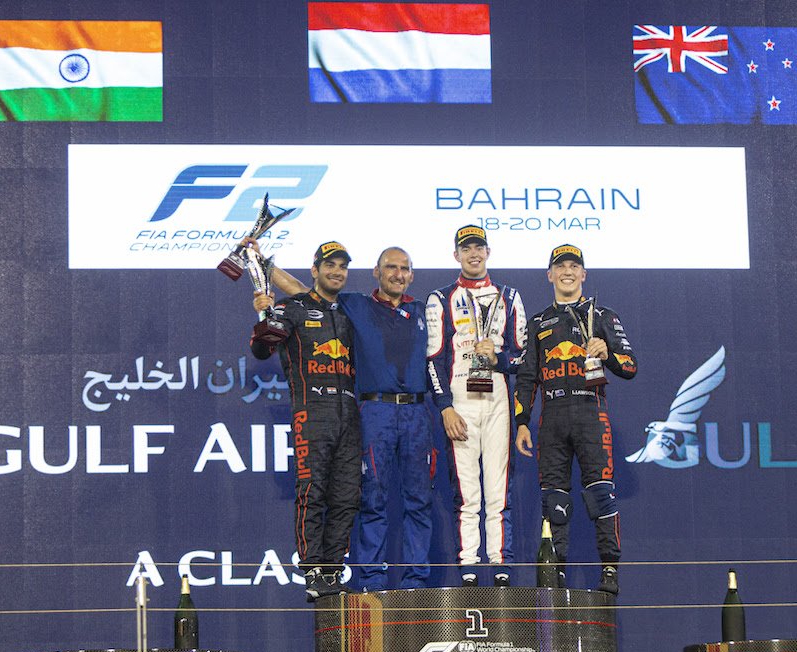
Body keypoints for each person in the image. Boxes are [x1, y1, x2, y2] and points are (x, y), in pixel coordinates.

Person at [263, 246, 434, 591]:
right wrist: (264, 266)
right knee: (372, 497)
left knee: (419, 499)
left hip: (417, 411)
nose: (397, 274)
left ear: (412, 274)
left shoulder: (423, 310)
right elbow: (305, 294)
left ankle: (416, 580)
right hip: (375, 409)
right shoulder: (356, 305)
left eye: (404, 268)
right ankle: (372, 579)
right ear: (376, 271)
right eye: (390, 267)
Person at [514, 244, 638, 594]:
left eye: (574, 266)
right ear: (549, 274)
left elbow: (630, 366)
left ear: (583, 274)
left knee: (600, 494)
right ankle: (557, 571)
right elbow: (526, 377)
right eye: (560, 266)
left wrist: (608, 353)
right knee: (554, 499)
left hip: (590, 412)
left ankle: (609, 569)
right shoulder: (538, 322)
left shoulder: (603, 315)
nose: (567, 272)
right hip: (551, 416)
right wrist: (522, 422)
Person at [250, 241, 360, 601]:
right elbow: (263, 349)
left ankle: (331, 570)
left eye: (342, 266)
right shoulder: (292, 308)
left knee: (346, 496)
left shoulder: (347, 312)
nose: (336, 272)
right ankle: (312, 569)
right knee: (312, 491)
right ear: (314, 270)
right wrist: (264, 316)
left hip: (349, 411)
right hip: (311, 409)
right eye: (329, 265)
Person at [426, 225, 526, 587]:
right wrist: (444, 406)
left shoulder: (510, 296)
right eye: (466, 248)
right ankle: (469, 566)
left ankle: (501, 565)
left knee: (498, 489)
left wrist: (499, 358)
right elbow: (433, 359)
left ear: (488, 252)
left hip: (497, 396)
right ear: (456, 255)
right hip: (461, 398)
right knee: (467, 490)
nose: (473, 254)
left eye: (479, 248)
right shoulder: (441, 298)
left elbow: (525, 357)